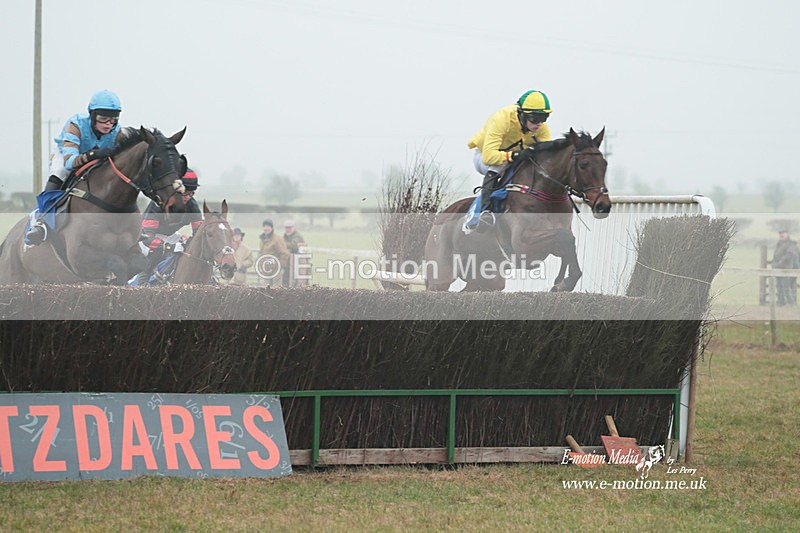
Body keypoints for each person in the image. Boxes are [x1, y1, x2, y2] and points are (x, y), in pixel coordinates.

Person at [26, 89, 128, 245]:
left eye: (113, 119)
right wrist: (93, 155)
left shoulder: (117, 132)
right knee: (60, 171)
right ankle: (40, 220)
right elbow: (70, 162)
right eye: (103, 118)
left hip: (94, 159)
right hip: (67, 155)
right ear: (93, 116)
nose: (108, 124)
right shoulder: (76, 125)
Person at [466, 89, 553, 229]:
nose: (539, 123)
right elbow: (489, 157)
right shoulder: (501, 119)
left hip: (512, 159)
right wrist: (514, 156)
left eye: (544, 118)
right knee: (498, 166)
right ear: (522, 114)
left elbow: (547, 153)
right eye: (535, 119)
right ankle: (485, 211)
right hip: (484, 158)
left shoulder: (540, 126)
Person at [130, 169, 202, 281]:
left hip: (170, 236)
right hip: (144, 237)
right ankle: (140, 282)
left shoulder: (192, 205)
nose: (188, 197)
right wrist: (169, 247)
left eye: (192, 193)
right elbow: (147, 238)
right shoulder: (159, 202)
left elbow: (199, 233)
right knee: (149, 260)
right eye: (185, 192)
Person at [258, 219, 290, 286]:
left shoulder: (277, 238)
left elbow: (284, 253)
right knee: (266, 288)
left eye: (268, 226)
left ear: (272, 228)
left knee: (276, 289)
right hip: (266, 268)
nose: (266, 228)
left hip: (276, 268)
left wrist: (280, 265)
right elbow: (262, 253)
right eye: (265, 226)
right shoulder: (262, 239)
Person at [772, 229, 800, 306]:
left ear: (787, 234)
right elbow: (776, 255)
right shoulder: (779, 244)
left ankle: (791, 303)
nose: (781, 235)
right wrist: (774, 263)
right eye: (780, 233)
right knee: (779, 286)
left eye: (783, 233)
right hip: (778, 268)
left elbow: (790, 255)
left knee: (786, 287)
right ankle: (781, 302)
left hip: (787, 269)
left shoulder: (791, 244)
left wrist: (781, 261)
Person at [282, 220, 308, 286]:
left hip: (299, 263)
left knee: (300, 282)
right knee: (286, 280)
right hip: (288, 263)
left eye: (289, 228)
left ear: (294, 228)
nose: (288, 229)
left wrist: (282, 244)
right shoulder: (285, 236)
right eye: (286, 228)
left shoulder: (298, 236)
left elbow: (293, 246)